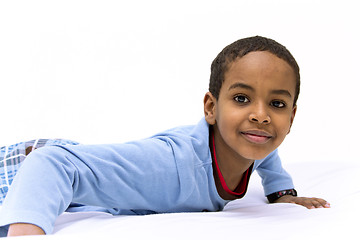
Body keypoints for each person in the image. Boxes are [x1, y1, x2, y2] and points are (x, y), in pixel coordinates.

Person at [0, 36, 330, 237]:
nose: (261, 116)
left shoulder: (248, 142)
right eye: (242, 99)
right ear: (211, 107)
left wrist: (281, 192)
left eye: (277, 104)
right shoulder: (170, 166)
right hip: (26, 170)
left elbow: (264, 152)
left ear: (291, 117)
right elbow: (51, 164)